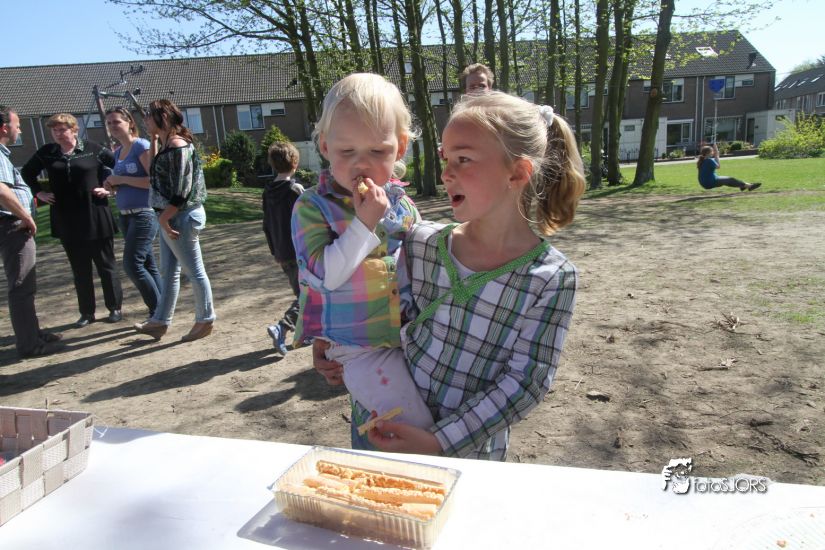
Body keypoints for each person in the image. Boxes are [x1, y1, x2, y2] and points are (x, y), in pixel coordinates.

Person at [315, 91, 585, 460]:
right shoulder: (419, 241)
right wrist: (329, 339)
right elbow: (369, 302)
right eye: (446, 159)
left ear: (517, 172)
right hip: (381, 428)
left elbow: (526, 383)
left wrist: (440, 440)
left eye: (463, 159)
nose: (446, 173)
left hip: (466, 455)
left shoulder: (550, 278)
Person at [292, 73, 433, 436]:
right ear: (325, 146)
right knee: (410, 425)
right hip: (356, 347)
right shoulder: (312, 207)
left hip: (411, 334)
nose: (362, 164)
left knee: (434, 407)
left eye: (377, 151)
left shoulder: (403, 205)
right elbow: (324, 277)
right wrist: (364, 223)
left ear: (400, 147)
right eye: (347, 152)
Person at [22, 113, 123, 328]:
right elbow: (27, 173)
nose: (58, 134)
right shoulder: (47, 152)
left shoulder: (93, 149)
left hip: (95, 214)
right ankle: (87, 312)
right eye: (54, 130)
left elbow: (120, 166)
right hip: (66, 218)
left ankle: (114, 307)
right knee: (80, 269)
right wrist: (39, 193)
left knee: (106, 265)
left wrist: (110, 188)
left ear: (74, 130)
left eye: (62, 129)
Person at [133, 99, 215, 342]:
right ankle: (160, 321)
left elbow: (182, 189)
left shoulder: (179, 146)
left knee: (194, 271)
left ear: (165, 118)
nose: (145, 119)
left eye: (150, 115)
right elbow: (154, 172)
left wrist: (165, 219)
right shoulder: (167, 144)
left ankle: (206, 319)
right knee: (169, 272)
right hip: (170, 216)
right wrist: (154, 140)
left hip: (180, 216)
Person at [0, 106, 64, 358]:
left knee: (25, 283)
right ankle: (29, 345)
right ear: (4, 128)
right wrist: (25, 216)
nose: (20, 129)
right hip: (12, 225)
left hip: (12, 224)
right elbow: (2, 190)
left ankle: (33, 333)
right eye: (17, 125)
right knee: (22, 285)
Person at [102, 107, 162, 318]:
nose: (113, 126)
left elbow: (153, 181)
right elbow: (124, 183)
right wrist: (111, 185)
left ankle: (157, 313)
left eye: (117, 121)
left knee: (132, 264)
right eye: (109, 123)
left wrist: (121, 179)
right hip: (125, 215)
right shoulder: (118, 152)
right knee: (148, 264)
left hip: (144, 213)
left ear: (129, 123)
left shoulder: (141, 146)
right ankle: (163, 308)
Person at [262, 141, 305, 356]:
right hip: (300, 251)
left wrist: (274, 250)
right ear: (295, 163)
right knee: (308, 295)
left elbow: (266, 224)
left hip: (282, 251)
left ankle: (305, 333)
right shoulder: (295, 191)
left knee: (302, 293)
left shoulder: (267, 192)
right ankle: (283, 327)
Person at [696, 143, 761, 191]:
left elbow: (715, 161)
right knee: (730, 179)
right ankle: (749, 186)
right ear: (708, 153)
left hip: (704, 183)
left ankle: (743, 185)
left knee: (727, 181)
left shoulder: (702, 160)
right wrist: (717, 154)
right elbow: (718, 166)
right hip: (710, 182)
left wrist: (716, 153)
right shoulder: (709, 160)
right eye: (712, 151)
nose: (713, 152)